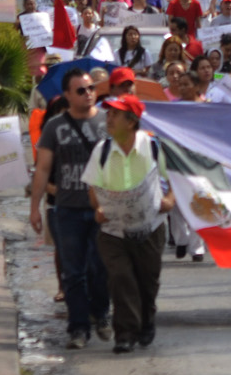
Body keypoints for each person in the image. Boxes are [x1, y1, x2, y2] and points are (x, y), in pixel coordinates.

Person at [83, 95, 174, 353]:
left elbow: (174, 181)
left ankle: (147, 321)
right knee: (120, 277)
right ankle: (125, 333)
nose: (109, 119)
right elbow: (93, 188)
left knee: (147, 281)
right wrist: (98, 208)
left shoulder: (153, 147)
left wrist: (169, 200)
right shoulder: (101, 151)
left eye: (115, 114)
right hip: (113, 231)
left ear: (131, 121)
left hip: (150, 228)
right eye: (108, 113)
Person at [30, 69, 113, 349]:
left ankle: (101, 313)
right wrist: (34, 208)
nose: (88, 94)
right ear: (67, 95)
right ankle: (78, 327)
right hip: (68, 210)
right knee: (73, 271)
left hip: (102, 209)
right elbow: (43, 169)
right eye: (80, 90)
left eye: (91, 89)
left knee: (100, 267)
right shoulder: (55, 127)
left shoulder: (107, 122)